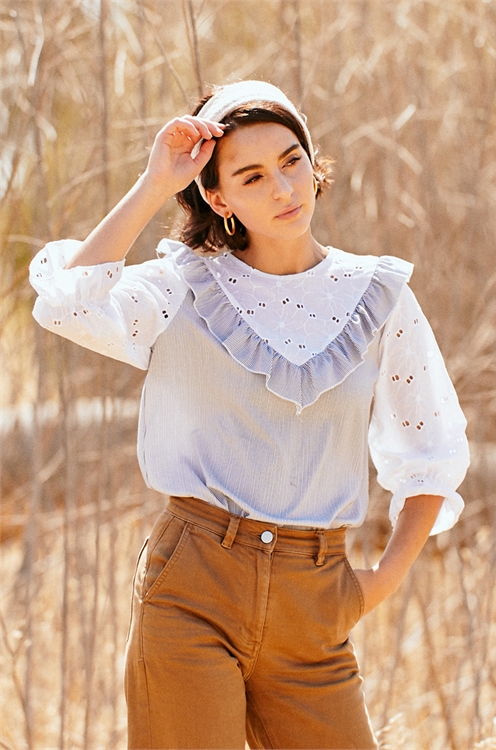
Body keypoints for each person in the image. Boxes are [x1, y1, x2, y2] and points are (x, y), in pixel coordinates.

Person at [29, 80, 469, 750]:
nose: (283, 189)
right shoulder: (182, 284)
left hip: (315, 598)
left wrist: (380, 582)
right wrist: (154, 182)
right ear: (218, 197)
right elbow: (67, 304)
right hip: (194, 587)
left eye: (292, 161)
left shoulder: (377, 296)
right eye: (252, 176)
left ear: (313, 161)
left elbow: (430, 445)